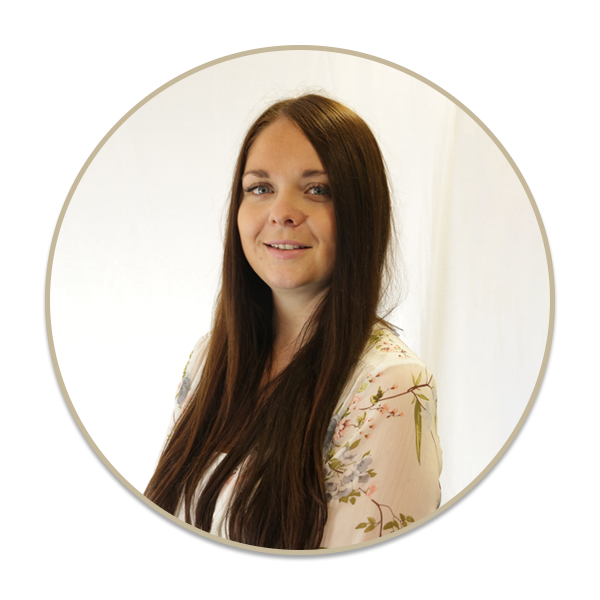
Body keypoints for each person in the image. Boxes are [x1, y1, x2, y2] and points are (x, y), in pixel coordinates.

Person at [144, 93, 442, 550]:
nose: (281, 212)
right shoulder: (209, 358)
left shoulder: (390, 387)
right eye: (260, 188)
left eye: (317, 189)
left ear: (362, 213)